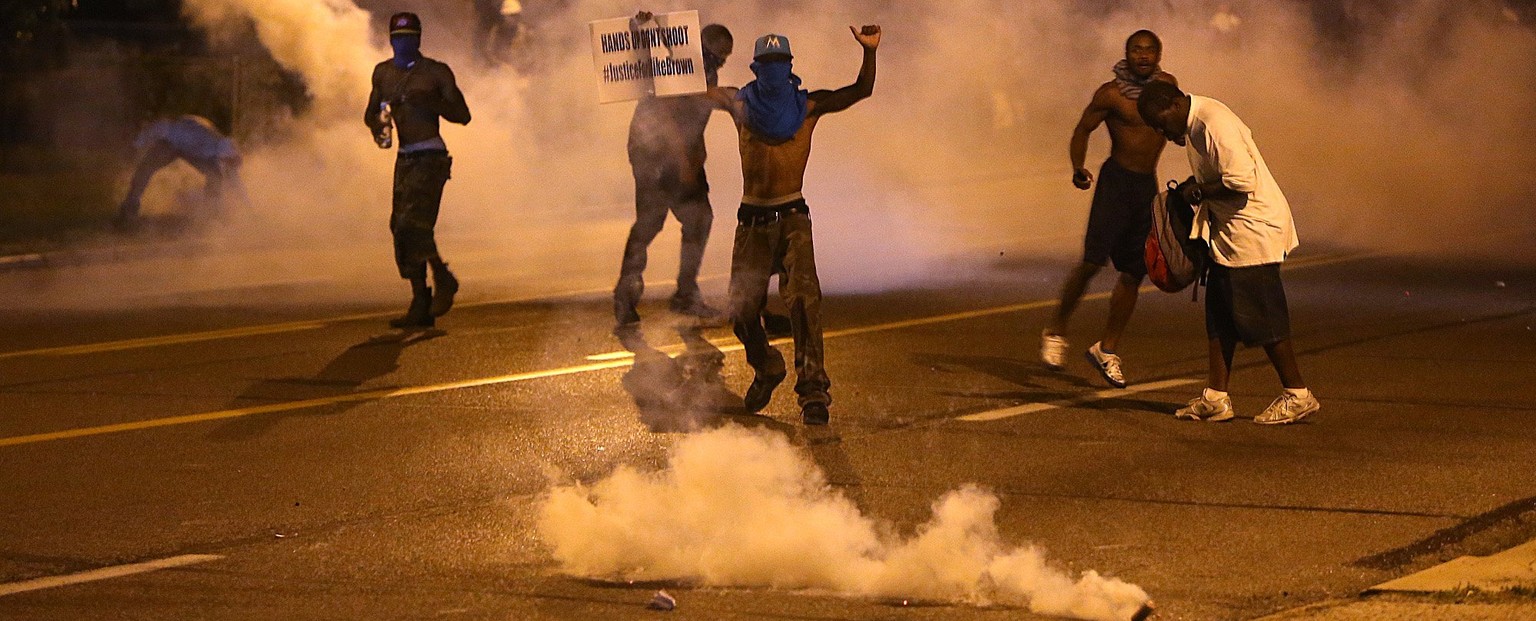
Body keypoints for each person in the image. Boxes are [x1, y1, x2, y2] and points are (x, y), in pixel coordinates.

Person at [707, 26, 881, 425]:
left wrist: (869, 52)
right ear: (755, 68)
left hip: (792, 218)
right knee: (742, 310)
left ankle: (813, 393)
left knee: (804, 302)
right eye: (766, 64)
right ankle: (767, 366)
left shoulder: (808, 107)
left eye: (778, 63)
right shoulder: (739, 104)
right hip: (751, 219)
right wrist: (660, 42)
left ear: (789, 67)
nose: (772, 71)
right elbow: (690, 89)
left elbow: (860, 90)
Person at [1136, 80, 1320, 425]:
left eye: (1160, 123)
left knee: (1262, 316)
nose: (1161, 131)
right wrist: (1197, 187)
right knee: (1220, 314)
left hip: (1253, 231)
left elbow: (1241, 180)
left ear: (1175, 104)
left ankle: (1298, 395)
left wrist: (1197, 191)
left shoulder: (1211, 123)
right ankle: (1216, 398)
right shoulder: (1196, 124)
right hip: (1230, 231)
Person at [1041, 30, 1178, 389]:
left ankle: (1107, 349)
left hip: (1145, 186)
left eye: (1150, 50)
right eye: (1136, 50)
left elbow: (1179, 124)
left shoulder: (1167, 88)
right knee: (1091, 263)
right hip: (1115, 183)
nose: (1143, 56)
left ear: (1159, 54)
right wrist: (1077, 167)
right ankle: (1056, 331)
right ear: (1127, 54)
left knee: (1136, 271)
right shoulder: (1111, 94)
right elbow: (1082, 129)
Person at [612, 16, 735, 330]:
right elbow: (666, 117)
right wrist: (684, 158)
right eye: (712, 56)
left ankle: (685, 292)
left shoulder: (704, 73)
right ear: (701, 49)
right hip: (652, 152)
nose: (717, 64)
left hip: (681, 153)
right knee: (651, 221)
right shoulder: (680, 67)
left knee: (699, 218)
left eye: (722, 59)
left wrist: (697, 155)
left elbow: (695, 117)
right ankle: (626, 293)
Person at [364, 12, 471, 329]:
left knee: (413, 225)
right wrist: (379, 126)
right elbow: (371, 113)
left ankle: (442, 276)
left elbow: (463, 115)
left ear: (419, 39)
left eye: (410, 38)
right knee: (399, 228)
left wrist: (433, 102)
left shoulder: (435, 72)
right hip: (405, 158)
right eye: (398, 38)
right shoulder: (382, 74)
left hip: (431, 156)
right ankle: (420, 300)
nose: (404, 44)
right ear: (390, 40)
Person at [115, 115, 246, 229]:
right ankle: (129, 208)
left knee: (215, 177)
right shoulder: (174, 130)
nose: (231, 167)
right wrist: (137, 144)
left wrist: (248, 210)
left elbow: (235, 182)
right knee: (145, 168)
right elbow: (159, 128)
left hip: (193, 149)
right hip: (172, 144)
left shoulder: (222, 151)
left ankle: (212, 214)